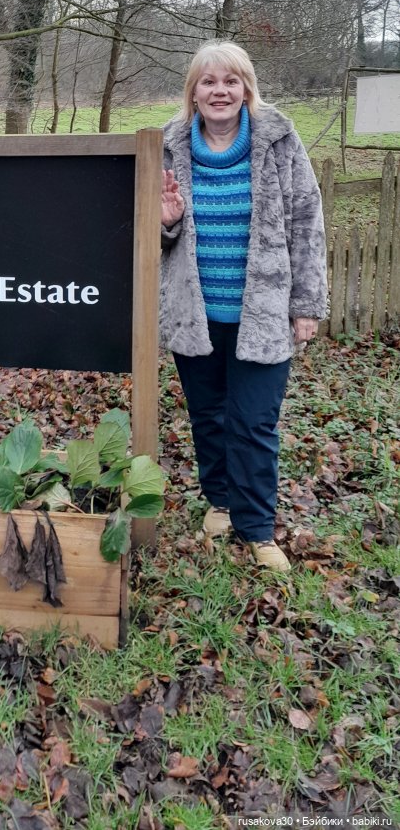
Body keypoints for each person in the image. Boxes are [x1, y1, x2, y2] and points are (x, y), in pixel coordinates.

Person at [160, 41, 327, 572]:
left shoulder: (279, 141)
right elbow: (148, 235)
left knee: (253, 422)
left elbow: (307, 220)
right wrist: (166, 222)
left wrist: (306, 304)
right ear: (193, 92)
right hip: (196, 311)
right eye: (208, 82)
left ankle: (256, 527)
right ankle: (220, 501)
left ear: (247, 88)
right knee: (208, 415)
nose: (220, 91)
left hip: (264, 311)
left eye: (230, 81)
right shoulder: (166, 147)